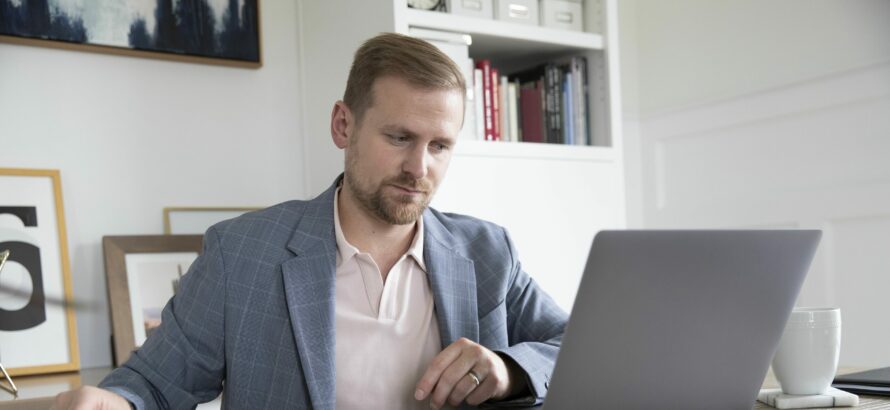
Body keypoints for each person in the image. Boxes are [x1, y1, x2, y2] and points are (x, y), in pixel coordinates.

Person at [53, 33, 567, 410]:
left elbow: (572, 345)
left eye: (439, 146)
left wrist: (508, 369)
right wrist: (111, 402)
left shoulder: (487, 252)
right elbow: (153, 384)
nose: (419, 168)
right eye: (399, 138)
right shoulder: (241, 255)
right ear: (343, 124)